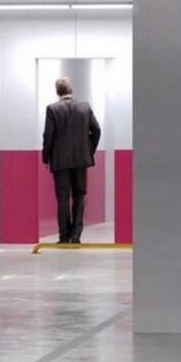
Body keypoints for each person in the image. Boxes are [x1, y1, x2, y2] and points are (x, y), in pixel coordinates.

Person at [42, 76, 101, 245]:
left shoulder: (52, 109)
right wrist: (89, 151)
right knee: (79, 196)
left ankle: (63, 235)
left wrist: (46, 157)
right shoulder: (85, 107)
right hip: (81, 160)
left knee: (62, 198)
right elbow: (96, 130)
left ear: (57, 91)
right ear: (71, 90)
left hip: (60, 161)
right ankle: (76, 235)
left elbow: (48, 136)